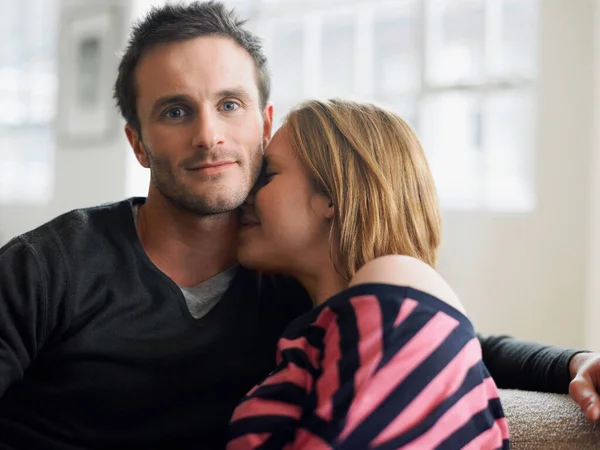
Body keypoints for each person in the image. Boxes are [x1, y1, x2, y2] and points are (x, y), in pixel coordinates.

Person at [0, 1, 597, 449]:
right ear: (138, 142)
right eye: (176, 111)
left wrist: (573, 363)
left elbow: (449, 338)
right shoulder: (47, 266)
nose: (210, 135)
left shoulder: (294, 281)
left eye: (229, 104)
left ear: (264, 123)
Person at [228, 99, 510, 449]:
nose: (244, 196)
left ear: (330, 195)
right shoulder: (322, 328)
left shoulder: (398, 281)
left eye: (268, 175)